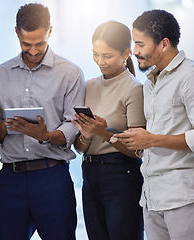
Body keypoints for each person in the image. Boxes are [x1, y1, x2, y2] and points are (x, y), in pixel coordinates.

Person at [0, 3, 85, 240]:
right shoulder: (0, 74)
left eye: (39, 43)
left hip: (52, 178)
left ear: (50, 31)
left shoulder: (70, 73)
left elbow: (73, 124)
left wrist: (46, 136)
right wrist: (4, 127)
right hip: (10, 180)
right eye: (26, 44)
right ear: (16, 33)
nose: (33, 51)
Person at [116, 9, 194, 239]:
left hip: (183, 198)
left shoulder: (190, 76)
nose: (134, 52)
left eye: (140, 44)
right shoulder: (150, 83)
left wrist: (151, 139)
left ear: (163, 44)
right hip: (152, 197)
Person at [71, 21, 145, 240]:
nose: (100, 62)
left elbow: (137, 150)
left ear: (126, 53)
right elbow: (80, 147)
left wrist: (104, 133)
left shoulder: (134, 89)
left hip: (121, 175)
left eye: (107, 56)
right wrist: (85, 136)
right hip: (90, 173)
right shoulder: (89, 85)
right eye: (96, 54)